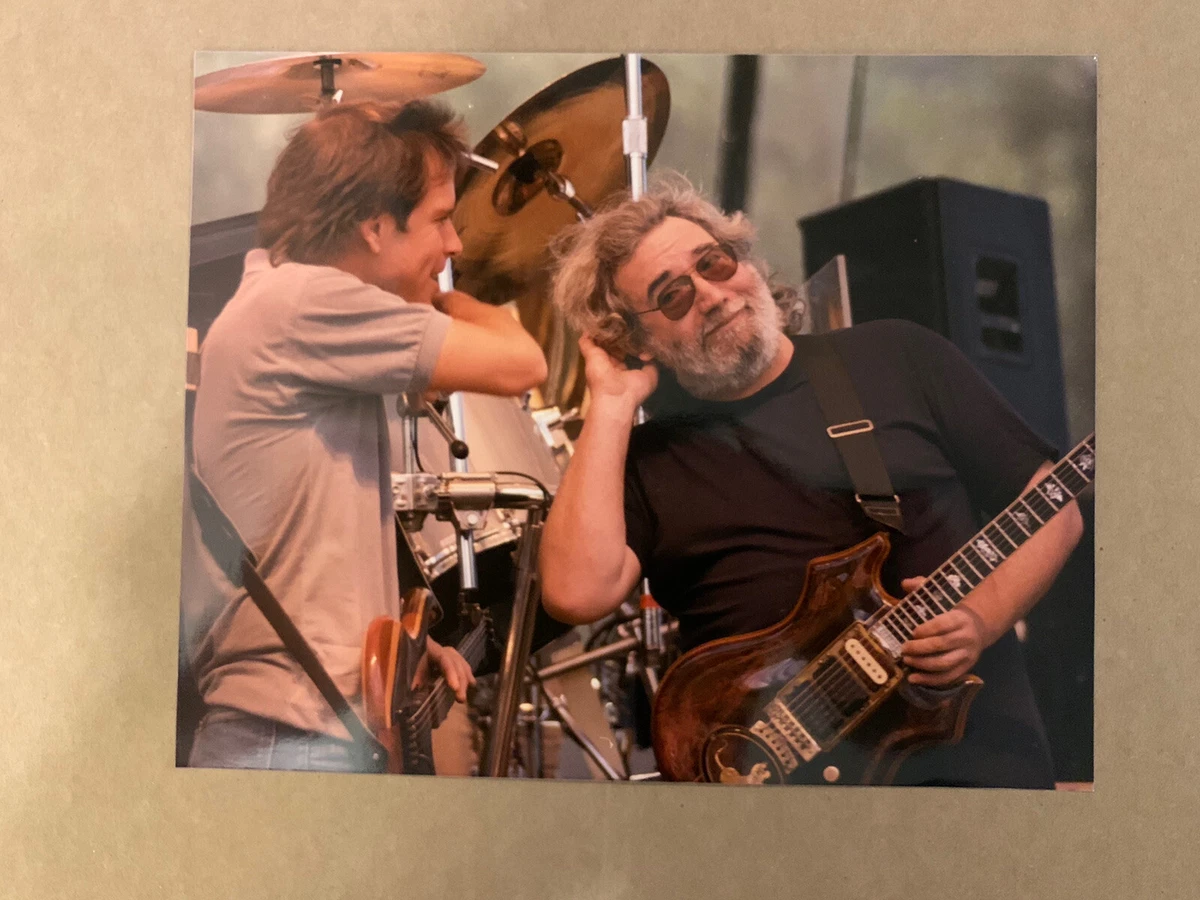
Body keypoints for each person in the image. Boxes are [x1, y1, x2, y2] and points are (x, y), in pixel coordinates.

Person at [538, 174, 1083, 788]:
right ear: (638, 341)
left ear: (744, 261)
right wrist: (611, 402)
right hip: (770, 793)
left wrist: (982, 619)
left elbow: (1055, 506)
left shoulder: (897, 356)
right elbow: (574, 594)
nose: (711, 296)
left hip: (967, 772)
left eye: (714, 263)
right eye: (672, 297)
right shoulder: (646, 461)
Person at [181, 100, 548, 773]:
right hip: (291, 744)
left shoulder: (286, 302)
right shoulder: (306, 301)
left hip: (298, 733)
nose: (455, 245)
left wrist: (402, 656)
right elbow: (523, 362)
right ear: (375, 227)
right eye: (440, 219)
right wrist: (442, 301)